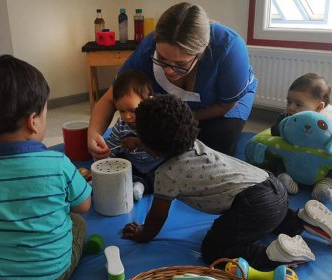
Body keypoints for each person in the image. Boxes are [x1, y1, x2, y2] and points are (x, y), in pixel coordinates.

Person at [121, 94, 332, 270]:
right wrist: (142, 142)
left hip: (253, 205)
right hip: (272, 187)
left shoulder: (167, 174)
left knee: (214, 250)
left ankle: (276, 254)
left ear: (154, 146)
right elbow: (164, 138)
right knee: (272, 219)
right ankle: (301, 220)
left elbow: (157, 216)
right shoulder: (190, 142)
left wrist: (142, 234)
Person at [0, 55, 92, 280]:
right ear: (33, 121)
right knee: (78, 223)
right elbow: (83, 206)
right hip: (54, 273)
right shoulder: (58, 163)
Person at [88, 2, 257, 159]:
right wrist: (94, 132)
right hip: (178, 109)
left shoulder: (229, 49)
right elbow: (111, 97)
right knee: (162, 142)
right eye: (162, 58)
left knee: (212, 149)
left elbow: (226, 104)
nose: (168, 70)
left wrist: (179, 120)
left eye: (180, 64)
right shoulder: (147, 50)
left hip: (224, 105)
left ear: (200, 53)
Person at [106, 69, 164, 200]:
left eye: (133, 110)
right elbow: (112, 144)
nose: (127, 116)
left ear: (148, 102)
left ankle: (141, 186)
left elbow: (163, 145)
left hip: (156, 165)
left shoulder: (157, 121)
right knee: (121, 165)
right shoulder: (121, 124)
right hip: (135, 165)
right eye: (121, 111)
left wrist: (139, 143)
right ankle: (130, 183)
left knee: (167, 175)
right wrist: (104, 158)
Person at [270, 73, 332, 194]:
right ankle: (287, 181)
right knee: (280, 160)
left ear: (319, 107)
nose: (291, 108)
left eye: (298, 104)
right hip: (294, 161)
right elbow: (275, 131)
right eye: (289, 101)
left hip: (320, 164)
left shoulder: (327, 121)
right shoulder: (287, 118)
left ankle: (324, 186)